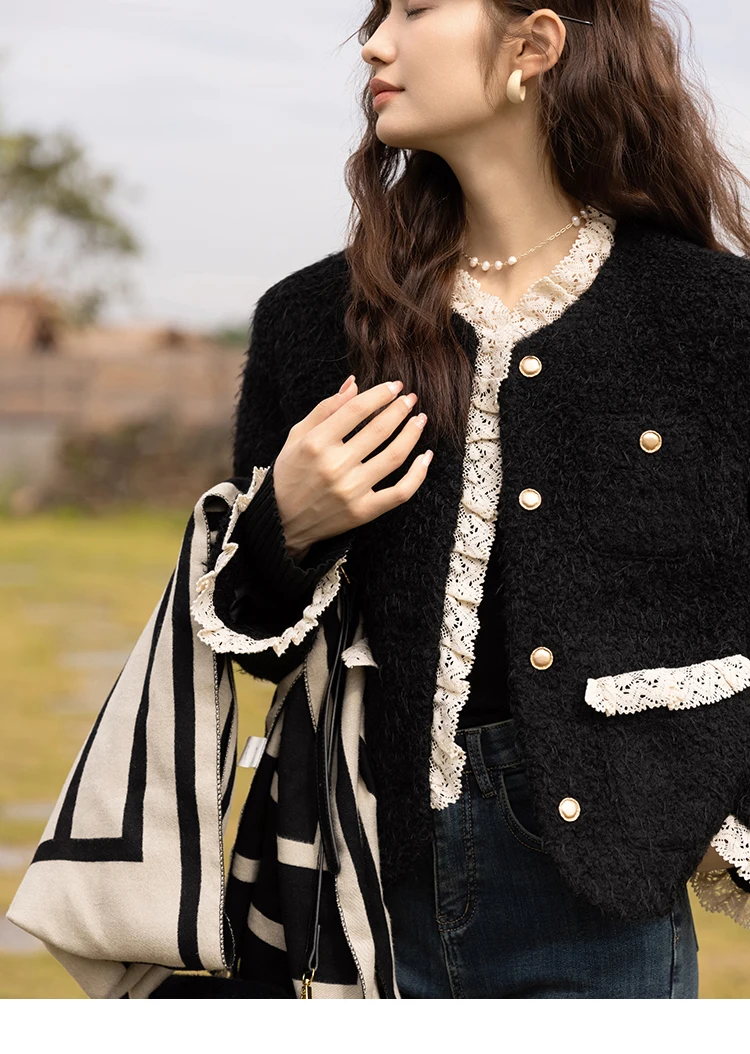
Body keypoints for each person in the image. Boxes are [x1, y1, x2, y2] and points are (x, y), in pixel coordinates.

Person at [201, 2, 750, 998]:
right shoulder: (311, 321)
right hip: (359, 890)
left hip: (601, 897)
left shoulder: (713, 319)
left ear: (533, 47)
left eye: (415, 9)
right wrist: (288, 526)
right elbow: (255, 646)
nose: (375, 42)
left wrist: (702, 800)